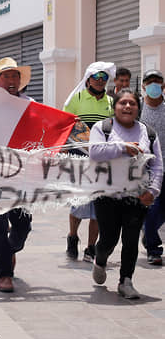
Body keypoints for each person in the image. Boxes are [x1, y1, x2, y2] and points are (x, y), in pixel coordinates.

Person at [90, 89, 162, 298]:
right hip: (107, 196)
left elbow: (157, 165)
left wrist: (153, 190)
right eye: (123, 103)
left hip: (136, 197)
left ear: (138, 108)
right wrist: (122, 147)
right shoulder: (102, 128)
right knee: (109, 239)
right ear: (115, 107)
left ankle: (126, 281)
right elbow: (94, 152)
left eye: (132, 103)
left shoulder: (148, 133)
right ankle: (100, 259)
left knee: (131, 240)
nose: (127, 107)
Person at [0, 58, 34, 293]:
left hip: (21, 177)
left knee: (23, 226)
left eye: (16, 76)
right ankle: (4, 274)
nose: (13, 81)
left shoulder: (30, 105)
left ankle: (10, 249)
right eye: (7, 76)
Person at [63, 62, 115, 262]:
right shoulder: (75, 99)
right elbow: (66, 125)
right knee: (78, 203)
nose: (100, 81)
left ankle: (90, 247)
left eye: (104, 78)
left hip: (102, 161)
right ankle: (73, 236)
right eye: (97, 77)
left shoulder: (111, 102)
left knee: (99, 206)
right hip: (79, 160)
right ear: (88, 79)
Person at [140, 70, 165, 265]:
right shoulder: (137, 107)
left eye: (157, 81)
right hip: (146, 167)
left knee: (161, 209)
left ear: (163, 86)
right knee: (152, 207)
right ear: (143, 86)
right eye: (150, 82)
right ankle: (154, 248)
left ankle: (148, 233)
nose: (154, 85)